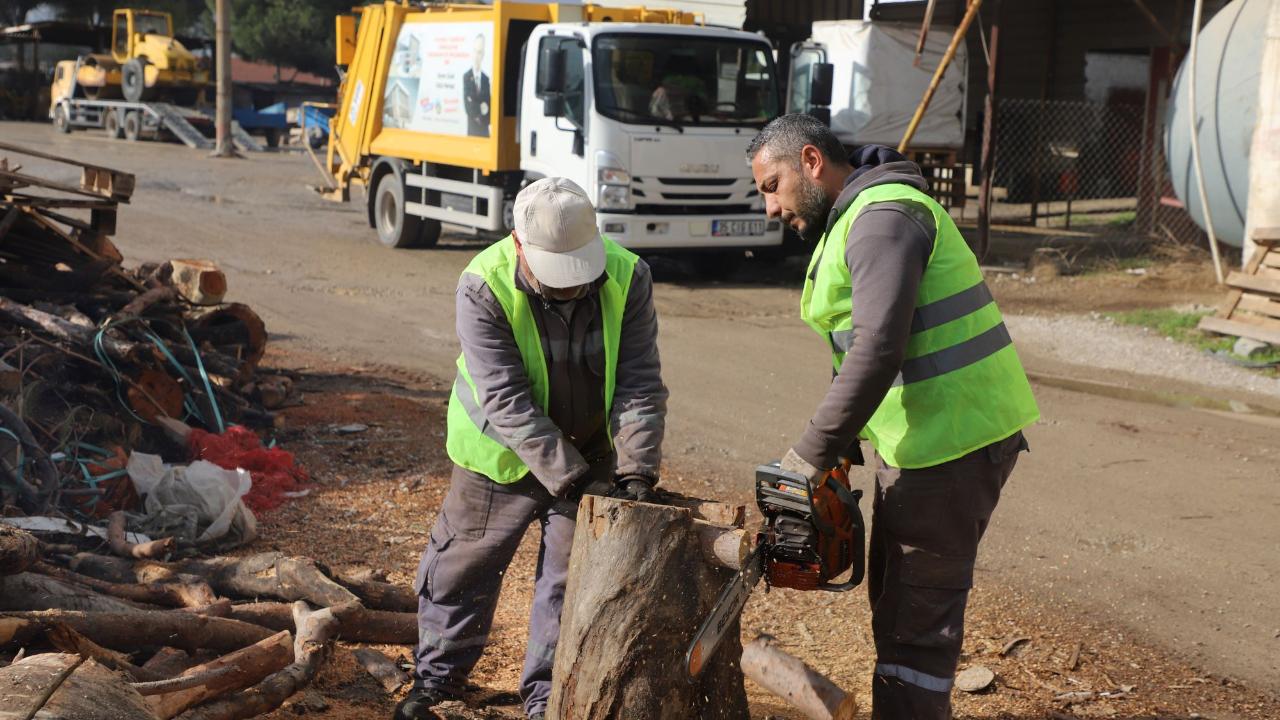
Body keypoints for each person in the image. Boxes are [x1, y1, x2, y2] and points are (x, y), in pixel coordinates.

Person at [747, 113, 1039, 719]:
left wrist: (808, 456)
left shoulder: (881, 218)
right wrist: (846, 445)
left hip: (952, 439)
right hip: (931, 438)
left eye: (771, 185)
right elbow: (859, 348)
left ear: (809, 161)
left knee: (915, 620)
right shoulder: (859, 215)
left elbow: (880, 347)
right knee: (898, 600)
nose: (770, 209)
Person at [395, 178, 667, 720]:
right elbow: (505, 397)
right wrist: (571, 478)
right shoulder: (482, 285)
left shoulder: (628, 274)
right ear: (518, 244)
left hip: (591, 451)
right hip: (497, 455)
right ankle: (438, 682)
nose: (569, 289)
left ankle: (547, 700)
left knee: (570, 583)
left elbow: (639, 380)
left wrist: (635, 472)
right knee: (463, 569)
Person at [463, 33, 490, 137]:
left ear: (483, 55)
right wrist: (481, 108)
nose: (476, 56)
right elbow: (468, 107)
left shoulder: (486, 79)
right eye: (474, 51)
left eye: (479, 52)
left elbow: (489, 109)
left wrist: (475, 105)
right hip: (472, 133)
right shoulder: (466, 77)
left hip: (485, 133)